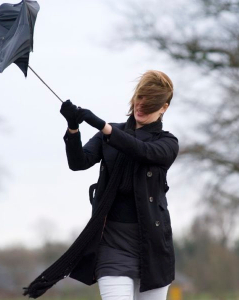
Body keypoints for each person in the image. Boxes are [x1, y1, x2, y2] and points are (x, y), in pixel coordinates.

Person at [59, 70, 179, 300]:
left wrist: (103, 126)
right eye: (140, 98)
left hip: (152, 248)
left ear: (164, 107)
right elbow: (78, 163)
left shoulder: (167, 143)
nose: (141, 105)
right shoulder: (110, 134)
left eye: (151, 102)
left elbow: (142, 151)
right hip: (112, 245)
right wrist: (73, 128)